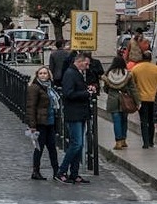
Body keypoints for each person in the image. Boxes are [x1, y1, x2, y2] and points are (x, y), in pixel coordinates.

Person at [55, 52, 96, 184]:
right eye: (86, 63)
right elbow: (68, 93)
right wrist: (86, 93)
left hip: (80, 113)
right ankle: (61, 171)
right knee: (76, 144)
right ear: (79, 61)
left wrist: (87, 89)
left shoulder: (77, 73)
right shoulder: (70, 73)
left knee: (80, 145)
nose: (88, 66)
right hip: (74, 114)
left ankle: (74, 173)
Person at [25, 66, 61, 180]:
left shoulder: (49, 88)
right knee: (39, 148)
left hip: (50, 122)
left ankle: (56, 172)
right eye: (40, 73)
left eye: (45, 73)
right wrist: (32, 125)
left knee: (52, 148)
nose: (43, 75)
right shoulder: (35, 88)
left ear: (49, 75)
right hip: (40, 123)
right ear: (37, 75)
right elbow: (31, 107)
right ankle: (35, 171)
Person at [102, 55, 140, 150]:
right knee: (124, 120)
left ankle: (118, 141)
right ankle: (123, 140)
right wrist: (137, 101)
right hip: (125, 100)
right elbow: (133, 89)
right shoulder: (127, 74)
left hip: (113, 100)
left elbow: (105, 88)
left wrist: (111, 92)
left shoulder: (108, 74)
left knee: (116, 121)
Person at [130, 50, 157, 148]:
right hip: (153, 98)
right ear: (150, 58)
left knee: (143, 121)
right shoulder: (155, 69)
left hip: (141, 98)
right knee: (152, 120)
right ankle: (151, 141)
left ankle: (145, 142)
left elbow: (131, 83)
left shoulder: (136, 69)